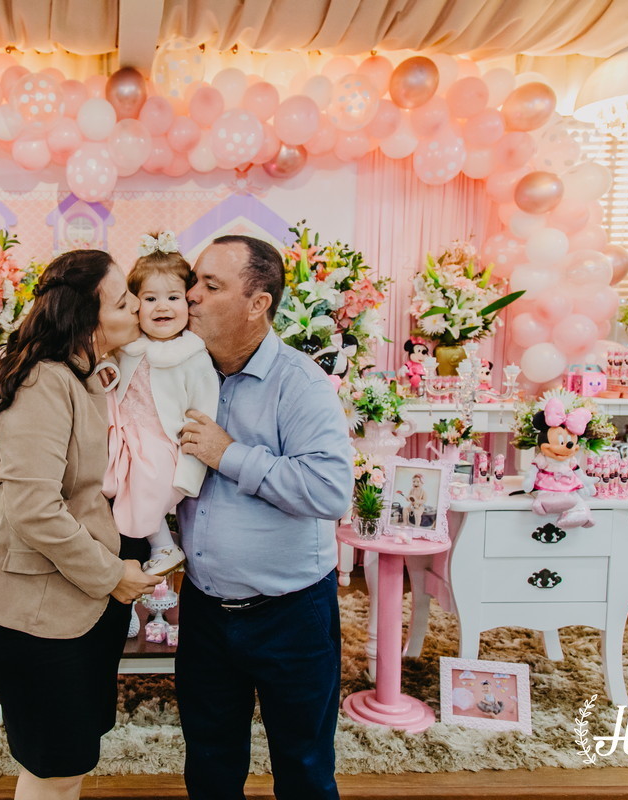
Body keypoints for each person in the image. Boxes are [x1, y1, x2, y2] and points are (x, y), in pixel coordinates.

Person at [0, 249, 163, 800]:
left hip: (72, 603)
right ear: (86, 319)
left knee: (67, 762)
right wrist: (112, 575)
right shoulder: (43, 383)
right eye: (123, 302)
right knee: (56, 768)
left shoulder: (81, 373)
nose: (138, 308)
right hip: (31, 612)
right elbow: (35, 510)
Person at [175, 234, 353, 800]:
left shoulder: (300, 384)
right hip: (204, 611)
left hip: (291, 615)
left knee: (303, 770)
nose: (191, 295)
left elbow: (330, 491)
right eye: (194, 281)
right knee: (209, 765)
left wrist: (229, 454)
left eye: (211, 285)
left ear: (258, 304)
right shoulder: (182, 372)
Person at [102, 231, 220, 576]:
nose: (162, 306)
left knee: (144, 484)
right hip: (123, 433)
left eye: (173, 297)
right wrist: (106, 370)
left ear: (189, 301)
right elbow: (111, 374)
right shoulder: (126, 347)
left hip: (161, 444)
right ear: (135, 304)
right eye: (150, 298)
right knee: (103, 478)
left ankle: (162, 546)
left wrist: (190, 473)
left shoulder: (193, 357)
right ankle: (118, 557)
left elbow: (203, 418)